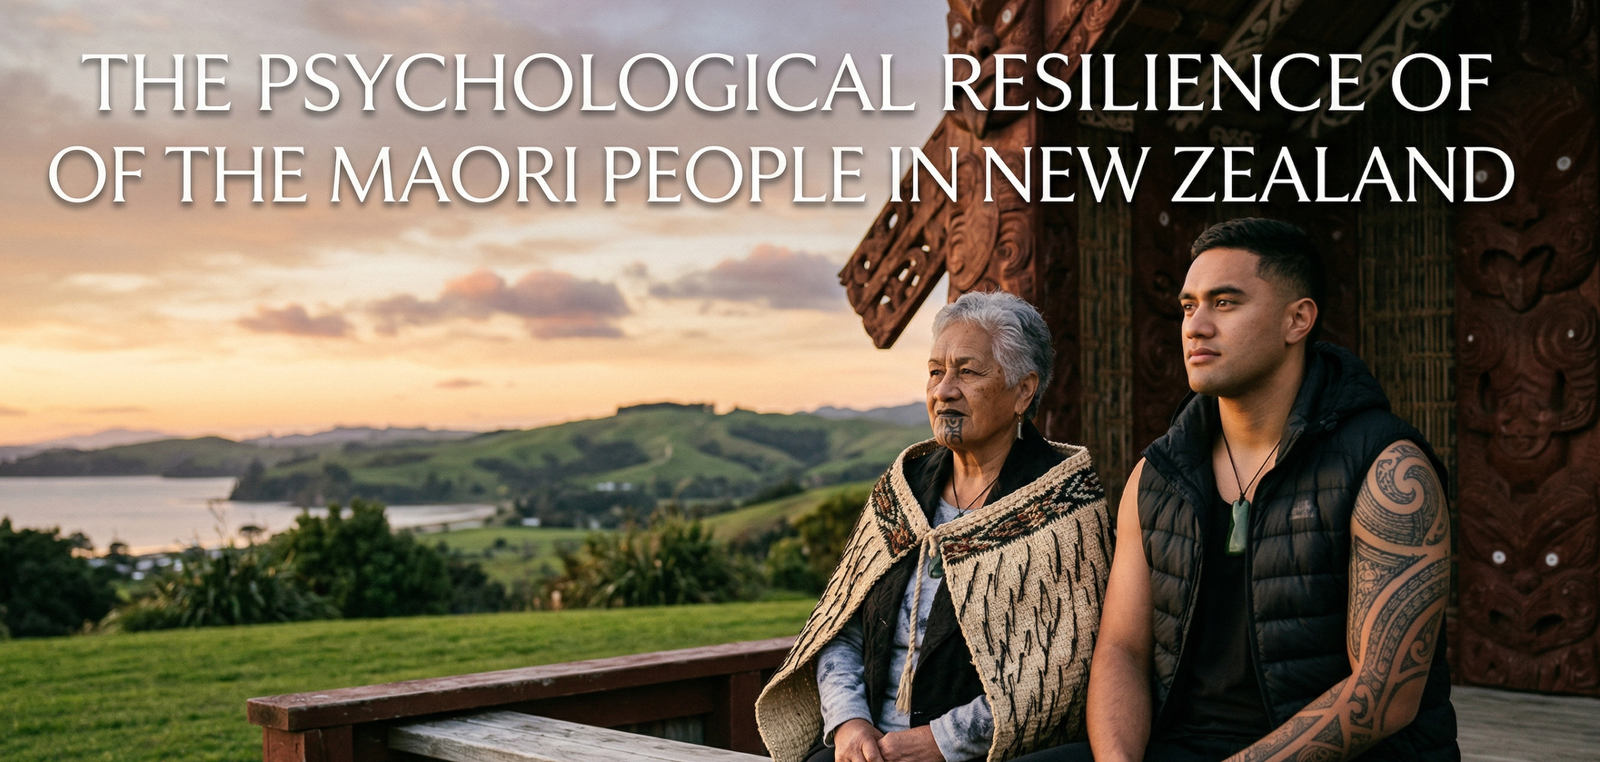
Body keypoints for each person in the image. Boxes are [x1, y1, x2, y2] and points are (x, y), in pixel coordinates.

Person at [1019, 218, 1458, 762]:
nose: (1195, 326)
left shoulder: (1389, 471)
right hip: (1181, 746)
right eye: (1187, 306)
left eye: (1224, 303)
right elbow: (1121, 652)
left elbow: (1384, 695)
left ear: (1297, 319)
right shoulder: (1157, 475)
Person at [755, 291, 1113, 762]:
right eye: (934, 372)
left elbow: (1060, 675)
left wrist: (939, 744)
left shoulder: (1064, 507)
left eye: (967, 371)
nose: (943, 390)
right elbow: (841, 626)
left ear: (1023, 390)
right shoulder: (902, 491)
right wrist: (849, 723)